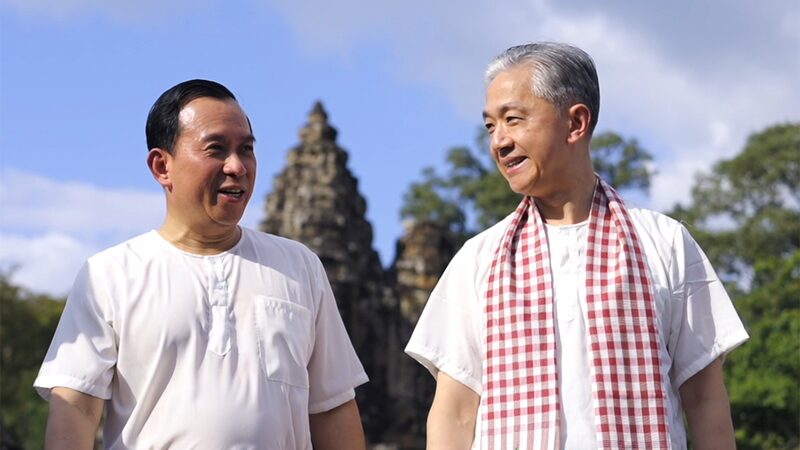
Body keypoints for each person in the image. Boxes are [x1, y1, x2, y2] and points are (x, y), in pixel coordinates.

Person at [405, 42, 748, 450]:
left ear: (576, 123)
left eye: (513, 120)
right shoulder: (479, 259)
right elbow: (456, 413)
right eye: (491, 127)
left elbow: (705, 399)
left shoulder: (664, 243)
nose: (499, 142)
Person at [34, 79, 369, 449]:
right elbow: (77, 407)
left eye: (246, 149)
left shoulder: (299, 267)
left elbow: (332, 407)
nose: (237, 166)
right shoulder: (110, 274)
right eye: (216, 149)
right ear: (162, 166)